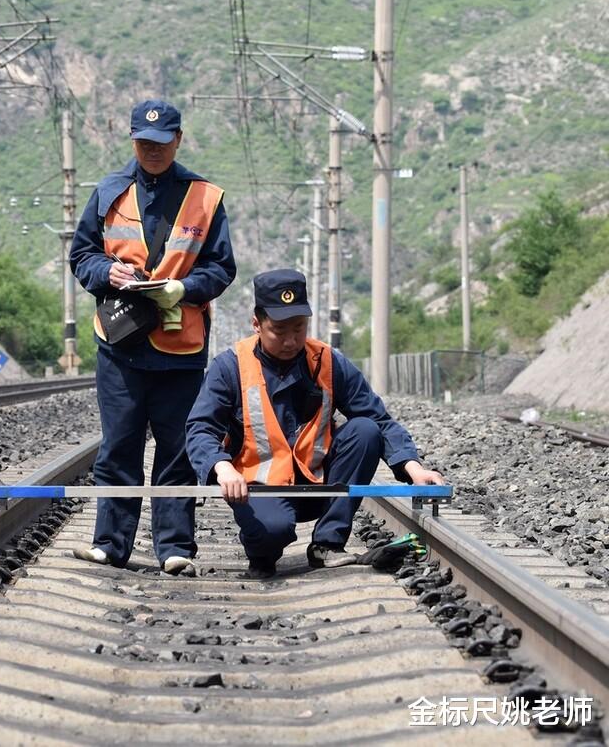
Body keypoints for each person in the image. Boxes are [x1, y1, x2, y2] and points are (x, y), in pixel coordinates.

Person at [185, 269, 447, 578]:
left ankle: (327, 543)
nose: (291, 340)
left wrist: (413, 468)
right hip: (261, 490)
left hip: (318, 484)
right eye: (279, 330)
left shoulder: (327, 361)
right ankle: (263, 549)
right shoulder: (230, 366)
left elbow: (379, 418)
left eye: (299, 328)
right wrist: (223, 468)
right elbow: (200, 428)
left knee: (365, 430)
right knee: (272, 533)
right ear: (257, 324)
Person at [68, 99, 236, 575]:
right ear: (132, 140)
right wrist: (107, 272)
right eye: (144, 142)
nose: (153, 150)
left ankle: (175, 547)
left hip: (181, 351)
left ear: (178, 140)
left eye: (161, 142)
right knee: (118, 445)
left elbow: (222, 267)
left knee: (177, 449)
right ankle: (110, 543)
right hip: (120, 343)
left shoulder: (205, 197)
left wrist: (185, 288)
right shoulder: (108, 192)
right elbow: (82, 255)